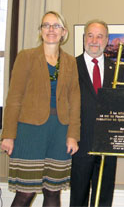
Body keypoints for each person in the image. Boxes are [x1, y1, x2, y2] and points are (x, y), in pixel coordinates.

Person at [0, 11, 80, 207]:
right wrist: (8, 134)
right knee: (25, 193)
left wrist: (73, 135)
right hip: (30, 131)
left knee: (53, 192)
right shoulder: (26, 57)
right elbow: (14, 98)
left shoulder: (70, 61)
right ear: (41, 31)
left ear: (64, 32)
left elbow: (75, 100)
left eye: (56, 26)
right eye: (46, 25)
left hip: (60, 131)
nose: (51, 29)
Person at [70, 20, 124, 207]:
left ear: (107, 39)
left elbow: (123, 106)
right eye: (90, 35)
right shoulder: (71, 66)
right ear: (84, 38)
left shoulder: (118, 69)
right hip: (80, 143)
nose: (94, 40)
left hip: (108, 144)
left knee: (104, 197)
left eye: (99, 36)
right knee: (78, 197)